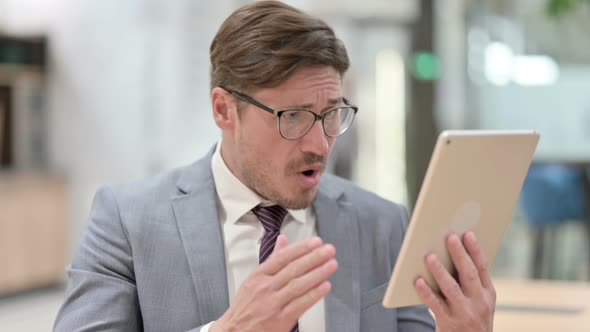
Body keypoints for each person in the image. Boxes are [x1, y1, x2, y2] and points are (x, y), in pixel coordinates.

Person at [54, 1, 496, 331]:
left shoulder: (382, 222)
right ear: (224, 110)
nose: (320, 144)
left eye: (331, 114)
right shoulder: (127, 221)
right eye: (294, 117)